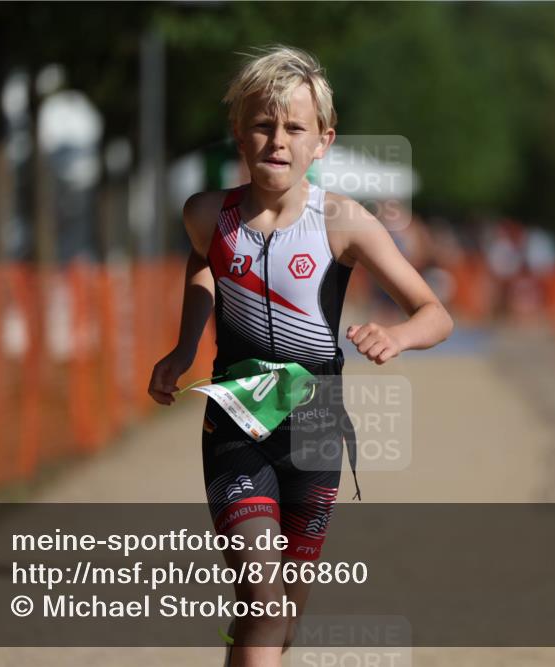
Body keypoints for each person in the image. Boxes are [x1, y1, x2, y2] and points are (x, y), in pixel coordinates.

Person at [148, 45, 453, 667]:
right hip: (236, 423)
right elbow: (205, 261)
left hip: (315, 432)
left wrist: (397, 336)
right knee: (263, 603)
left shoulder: (344, 222)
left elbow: (435, 312)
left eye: (295, 127)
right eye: (263, 125)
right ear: (239, 133)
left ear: (323, 141)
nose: (278, 141)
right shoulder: (207, 214)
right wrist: (185, 346)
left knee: (280, 616)